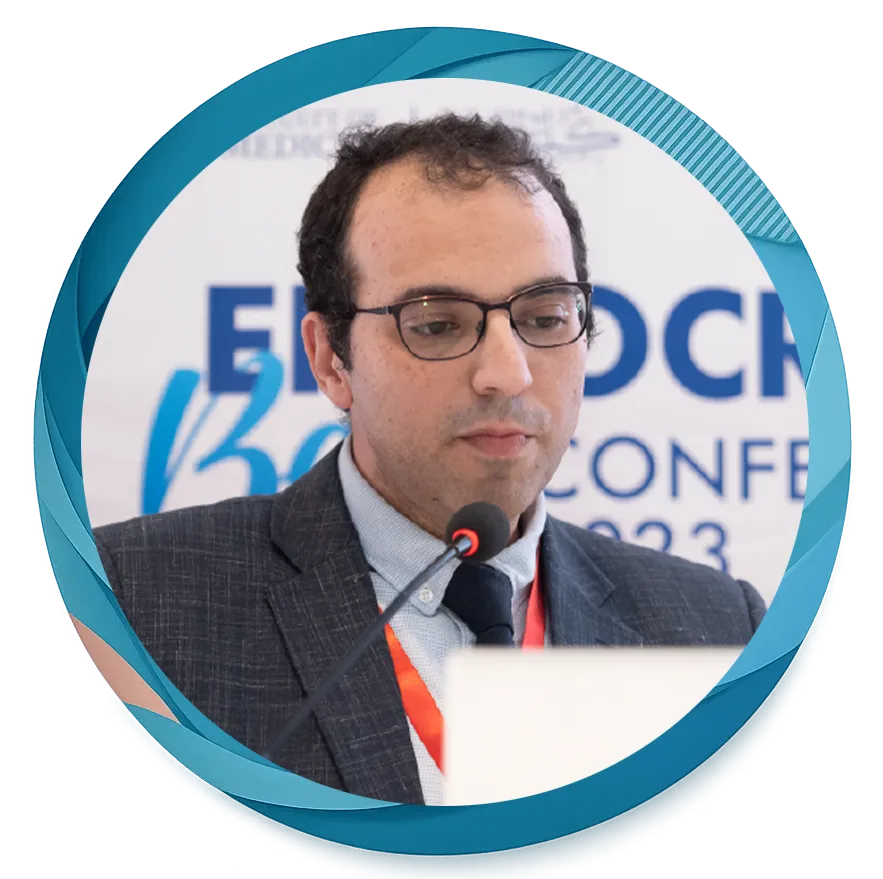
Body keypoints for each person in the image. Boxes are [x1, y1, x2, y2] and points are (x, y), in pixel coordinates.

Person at [92, 113, 767, 806]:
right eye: (438, 324)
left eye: (544, 318)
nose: (507, 373)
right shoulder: (130, 603)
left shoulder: (718, 627)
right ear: (329, 360)